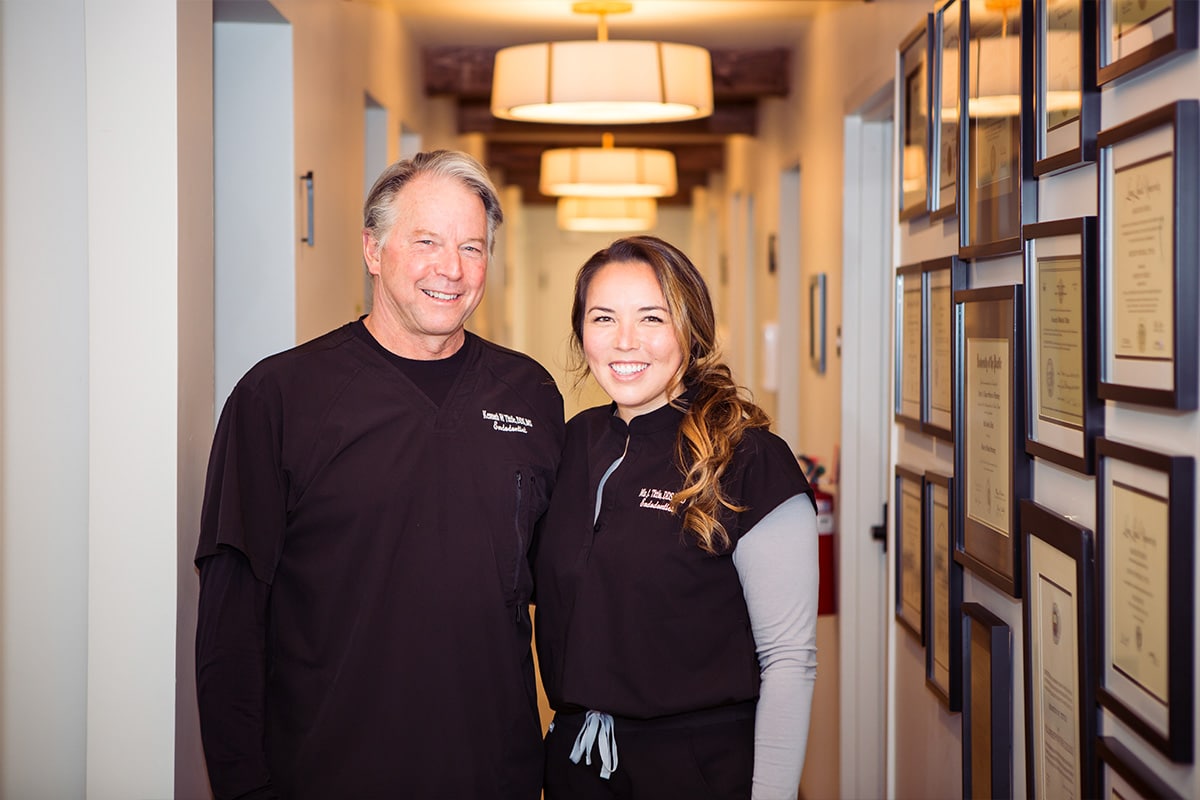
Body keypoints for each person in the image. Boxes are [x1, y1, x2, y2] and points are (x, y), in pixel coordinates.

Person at [194, 150, 564, 799]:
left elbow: (560, 585)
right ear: (373, 248)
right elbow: (231, 621)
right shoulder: (279, 398)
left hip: (493, 772)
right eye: (427, 242)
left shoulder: (529, 393)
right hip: (325, 771)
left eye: (472, 247)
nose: (451, 269)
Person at [533, 235, 819, 800]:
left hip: (701, 770)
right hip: (579, 763)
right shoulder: (570, 444)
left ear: (691, 330)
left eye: (652, 318)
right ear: (580, 332)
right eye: (603, 317)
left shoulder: (749, 459)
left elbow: (788, 660)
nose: (625, 341)